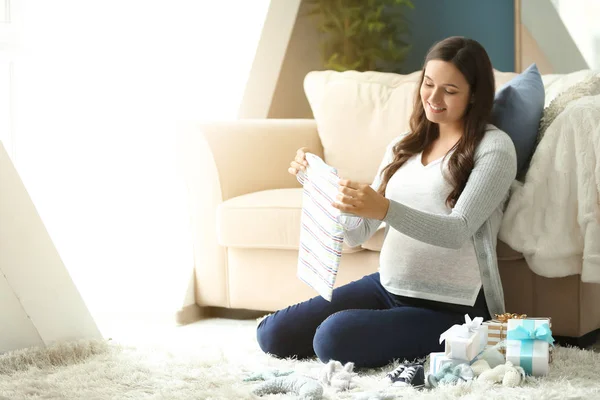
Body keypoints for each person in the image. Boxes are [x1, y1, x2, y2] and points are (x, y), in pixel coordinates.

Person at [256, 36, 517, 371]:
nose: (433, 98)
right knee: (273, 335)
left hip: (452, 307)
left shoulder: (493, 148)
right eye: (428, 83)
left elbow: (458, 231)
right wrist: (319, 183)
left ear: (474, 96)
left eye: (450, 91)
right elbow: (356, 234)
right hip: (388, 286)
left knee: (330, 339)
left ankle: (453, 336)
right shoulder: (402, 147)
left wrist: (384, 208)